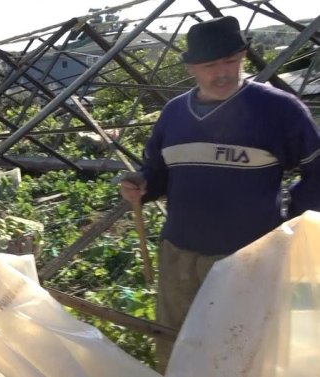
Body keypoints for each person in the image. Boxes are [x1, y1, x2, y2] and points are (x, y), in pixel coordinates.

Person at [118, 16, 320, 372]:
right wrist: (143, 185)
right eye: (210, 65)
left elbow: (317, 171)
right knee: (175, 339)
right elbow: (159, 171)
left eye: (231, 61)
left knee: (241, 344)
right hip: (179, 253)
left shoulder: (278, 110)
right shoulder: (174, 114)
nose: (223, 72)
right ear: (193, 67)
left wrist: (291, 227)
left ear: (243, 56)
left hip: (246, 258)